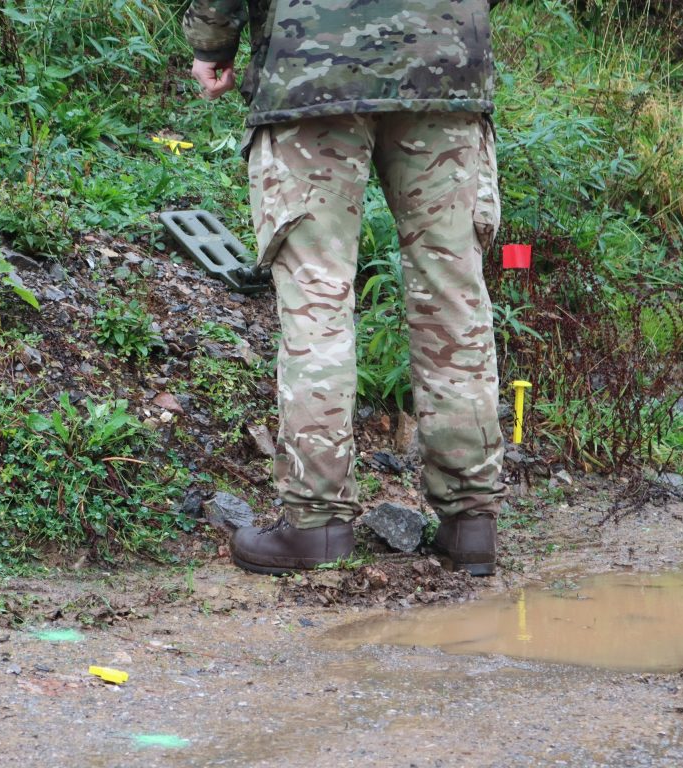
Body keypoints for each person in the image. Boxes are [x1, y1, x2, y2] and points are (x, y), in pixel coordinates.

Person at [184, 0, 505, 576]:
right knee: (453, 294)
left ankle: (319, 524)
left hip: (312, 70)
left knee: (317, 297)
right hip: (444, 58)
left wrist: (212, 43)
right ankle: (470, 521)